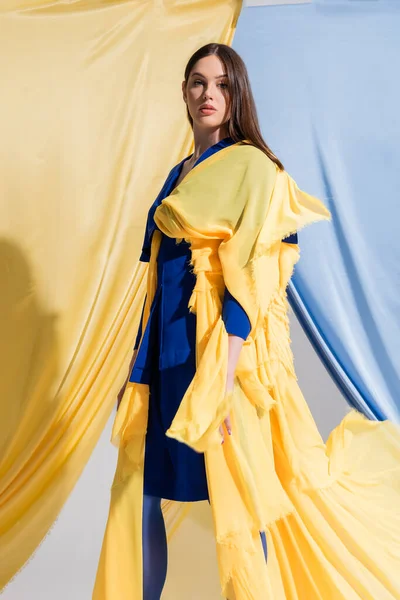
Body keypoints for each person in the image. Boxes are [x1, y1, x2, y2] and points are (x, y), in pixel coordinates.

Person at [93, 43, 400, 600]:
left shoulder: (256, 168)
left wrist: (227, 376)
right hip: (163, 362)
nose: (209, 94)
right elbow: (155, 286)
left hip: (218, 363)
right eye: (197, 83)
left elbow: (254, 279)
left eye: (221, 84)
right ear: (184, 95)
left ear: (237, 95)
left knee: (236, 501)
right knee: (141, 496)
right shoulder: (176, 175)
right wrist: (132, 374)